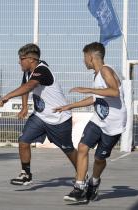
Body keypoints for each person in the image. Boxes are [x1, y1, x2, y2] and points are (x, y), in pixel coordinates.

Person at [54, 42, 127, 203]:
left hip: (113, 124)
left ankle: (94, 182)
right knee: (82, 147)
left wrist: (89, 89)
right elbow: (96, 98)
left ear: (91, 57)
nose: (83, 61)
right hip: (98, 119)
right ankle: (79, 187)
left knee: (100, 158)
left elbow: (114, 92)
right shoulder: (97, 74)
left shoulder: (106, 70)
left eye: (84, 57)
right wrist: (69, 106)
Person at [0, 43, 78, 186]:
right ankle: (26, 174)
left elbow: (30, 85)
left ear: (30, 59)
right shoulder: (28, 71)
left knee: (68, 149)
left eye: (21, 59)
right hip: (40, 117)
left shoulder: (42, 70)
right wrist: (24, 107)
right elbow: (25, 87)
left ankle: (82, 175)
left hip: (58, 117)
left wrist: (8, 96)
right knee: (23, 141)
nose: (19, 62)